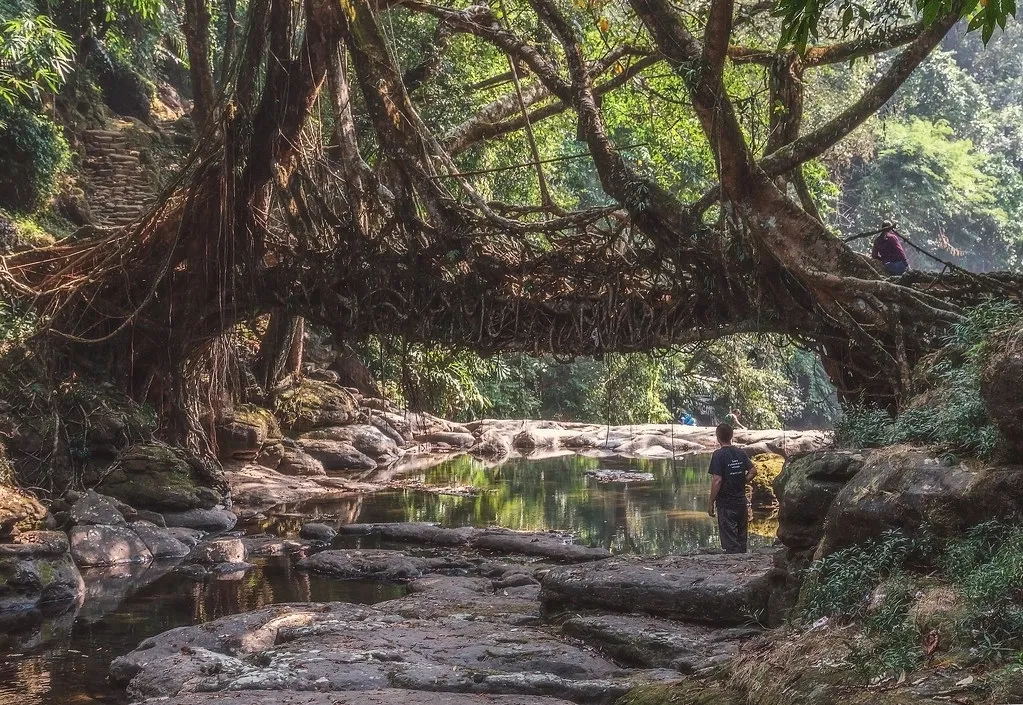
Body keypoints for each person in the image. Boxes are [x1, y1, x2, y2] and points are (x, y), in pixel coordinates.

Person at [707, 423, 756, 554]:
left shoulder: (718, 455)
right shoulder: (740, 453)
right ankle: (743, 564)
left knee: (730, 541)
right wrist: (743, 480)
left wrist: (711, 502)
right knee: (741, 538)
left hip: (726, 504)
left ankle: (735, 567)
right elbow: (753, 470)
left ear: (718, 438)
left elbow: (717, 480)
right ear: (731, 436)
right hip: (741, 502)